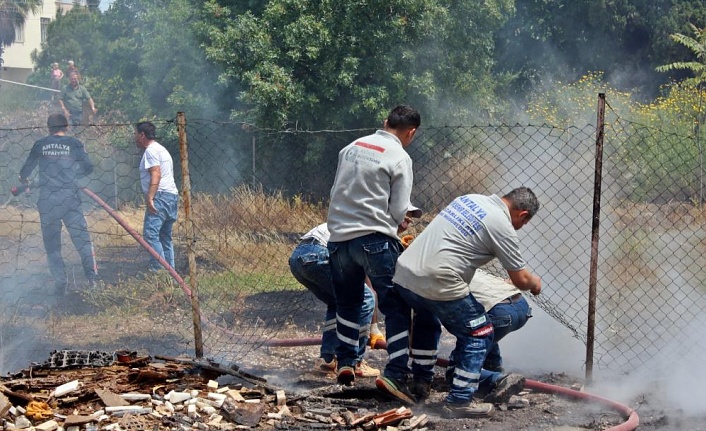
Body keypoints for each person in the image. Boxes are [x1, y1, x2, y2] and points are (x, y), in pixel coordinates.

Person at [392, 187, 542, 418]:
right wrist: (534, 283)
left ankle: (420, 381)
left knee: (426, 315)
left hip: (404, 273)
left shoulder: (469, 200)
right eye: (524, 223)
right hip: (438, 278)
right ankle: (460, 399)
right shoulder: (502, 225)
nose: (520, 227)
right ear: (522, 214)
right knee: (479, 332)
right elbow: (521, 279)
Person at [326, 105, 429, 391]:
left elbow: (339, 190)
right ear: (411, 132)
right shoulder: (400, 156)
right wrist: (401, 221)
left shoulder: (350, 148)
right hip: (374, 240)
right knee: (396, 306)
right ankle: (396, 372)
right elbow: (398, 208)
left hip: (338, 240)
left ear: (385, 122)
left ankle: (346, 362)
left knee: (348, 302)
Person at [19, 113, 98, 294]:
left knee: (52, 245)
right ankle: (93, 280)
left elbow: (26, 170)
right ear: (66, 127)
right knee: (83, 241)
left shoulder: (40, 144)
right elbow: (89, 167)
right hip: (70, 199)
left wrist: (23, 179)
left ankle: (60, 282)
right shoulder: (74, 144)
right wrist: (72, 176)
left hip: (48, 200)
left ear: (48, 128)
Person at [288, 223, 379, 378]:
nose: (407, 223)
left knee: (337, 301)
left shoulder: (355, 216)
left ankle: (328, 359)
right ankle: (356, 362)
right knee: (365, 298)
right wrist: (374, 327)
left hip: (298, 258)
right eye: (405, 218)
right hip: (319, 254)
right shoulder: (376, 227)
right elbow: (366, 278)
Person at [134, 121, 179, 272]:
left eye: (135, 134)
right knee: (165, 237)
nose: (134, 138)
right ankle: (172, 277)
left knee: (151, 236)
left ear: (142, 135)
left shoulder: (151, 151)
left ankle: (159, 273)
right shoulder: (162, 149)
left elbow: (156, 174)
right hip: (171, 195)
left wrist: (149, 197)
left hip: (160, 196)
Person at [471, 269, 533, 374]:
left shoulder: (441, 278)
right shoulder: (472, 268)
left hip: (500, 315)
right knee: (487, 331)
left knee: (460, 368)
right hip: (522, 307)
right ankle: (493, 368)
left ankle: (498, 380)